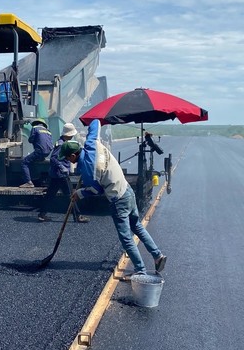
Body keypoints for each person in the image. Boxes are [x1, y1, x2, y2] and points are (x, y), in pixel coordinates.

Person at [60, 119, 167, 277]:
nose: (67, 160)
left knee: (126, 238)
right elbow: (96, 124)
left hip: (118, 199)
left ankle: (140, 272)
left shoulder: (89, 171)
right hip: (127, 190)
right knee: (137, 226)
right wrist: (93, 119)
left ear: (74, 155)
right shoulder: (92, 143)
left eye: (68, 158)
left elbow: (96, 190)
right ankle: (157, 255)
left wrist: (79, 193)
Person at [37, 122, 89, 223]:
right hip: (61, 175)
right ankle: (77, 216)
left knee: (50, 195)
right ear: (68, 134)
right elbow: (53, 158)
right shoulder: (62, 144)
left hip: (56, 174)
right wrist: (62, 167)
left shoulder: (61, 142)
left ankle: (42, 214)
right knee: (71, 195)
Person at [20, 119, 53, 188]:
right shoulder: (48, 131)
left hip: (39, 151)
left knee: (24, 162)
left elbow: (31, 140)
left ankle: (28, 182)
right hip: (48, 152)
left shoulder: (35, 128)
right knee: (34, 160)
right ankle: (35, 177)